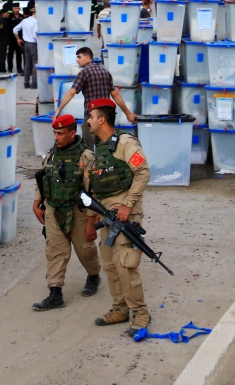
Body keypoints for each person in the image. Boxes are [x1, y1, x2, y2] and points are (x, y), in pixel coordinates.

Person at [83, 98, 151, 336]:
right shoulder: (98, 149)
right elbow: (94, 190)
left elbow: (143, 172)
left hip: (125, 216)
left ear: (102, 119)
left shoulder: (124, 142)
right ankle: (119, 309)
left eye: (91, 117)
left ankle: (140, 313)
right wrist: (91, 220)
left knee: (126, 265)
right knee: (110, 266)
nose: (88, 121)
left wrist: (127, 205)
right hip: (106, 216)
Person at [31, 114, 101, 311]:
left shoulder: (86, 157)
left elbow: (92, 192)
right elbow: (43, 180)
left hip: (78, 212)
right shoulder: (51, 155)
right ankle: (55, 293)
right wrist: (37, 203)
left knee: (85, 250)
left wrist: (90, 223)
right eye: (55, 133)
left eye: (60, 133)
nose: (56, 137)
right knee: (55, 251)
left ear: (72, 133)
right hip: (54, 210)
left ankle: (94, 275)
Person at [53, 47, 136, 148]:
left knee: (89, 149)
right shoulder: (105, 72)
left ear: (88, 58)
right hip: (107, 118)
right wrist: (128, 113)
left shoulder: (84, 73)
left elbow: (71, 92)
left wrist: (58, 110)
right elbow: (115, 94)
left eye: (79, 57)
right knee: (106, 148)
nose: (76, 60)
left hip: (91, 117)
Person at [13, 8, 39, 88]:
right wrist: (40, 43)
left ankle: (26, 83)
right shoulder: (36, 22)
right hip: (33, 44)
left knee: (27, 64)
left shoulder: (25, 20)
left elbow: (15, 30)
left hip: (26, 44)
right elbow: (35, 35)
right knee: (35, 64)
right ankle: (34, 83)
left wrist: (18, 39)